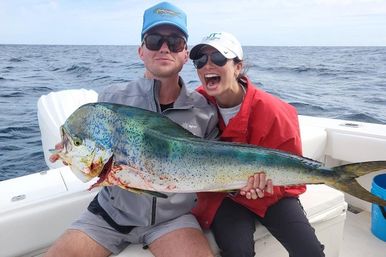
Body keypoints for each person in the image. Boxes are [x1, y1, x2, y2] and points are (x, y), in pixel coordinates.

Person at [45, 2, 218, 257]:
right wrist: (71, 154)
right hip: (109, 217)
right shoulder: (111, 100)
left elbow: (215, 169)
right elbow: (93, 160)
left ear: (185, 54)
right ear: (141, 51)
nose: (164, 48)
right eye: (154, 40)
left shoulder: (204, 110)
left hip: (173, 220)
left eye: (175, 42)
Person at [190, 32, 325, 257]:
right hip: (225, 195)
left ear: (237, 67)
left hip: (273, 195)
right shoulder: (196, 103)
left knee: (310, 252)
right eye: (201, 60)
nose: (207, 65)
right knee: (238, 252)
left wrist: (266, 186)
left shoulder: (275, 111)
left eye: (219, 58)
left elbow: (290, 171)